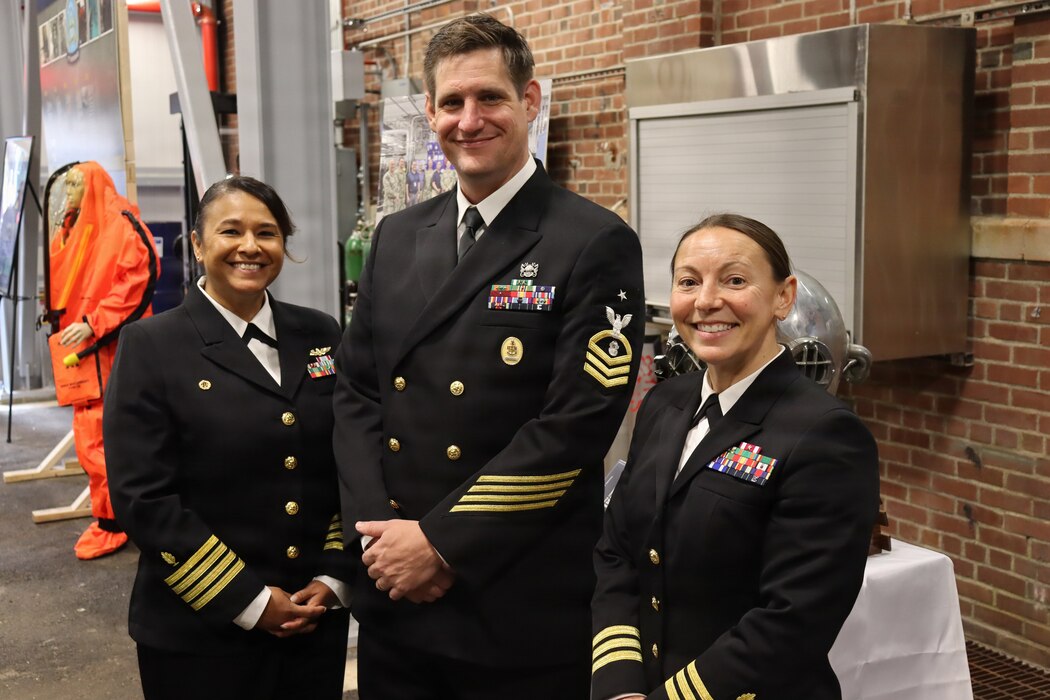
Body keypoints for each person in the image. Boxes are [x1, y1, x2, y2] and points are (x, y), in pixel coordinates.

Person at [333, 13, 644, 700]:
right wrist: (380, 542)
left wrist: (440, 544)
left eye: (490, 98)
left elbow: (575, 426)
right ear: (432, 114)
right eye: (451, 102)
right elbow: (357, 393)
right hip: (397, 598)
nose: (468, 120)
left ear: (529, 102)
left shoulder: (592, 242)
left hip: (513, 605)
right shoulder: (397, 237)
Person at [591, 213, 880, 700]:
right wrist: (619, 684)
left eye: (735, 280)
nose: (706, 301)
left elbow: (793, 619)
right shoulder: (664, 404)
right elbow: (618, 552)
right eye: (689, 282)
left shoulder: (826, 434)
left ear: (783, 297)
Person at [104, 176, 352, 699]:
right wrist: (252, 602)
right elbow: (143, 497)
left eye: (267, 233)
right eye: (230, 231)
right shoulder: (152, 344)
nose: (250, 247)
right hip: (202, 634)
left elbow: (346, 460)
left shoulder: (321, 333)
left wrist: (333, 577)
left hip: (312, 621)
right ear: (197, 243)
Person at [47, 162, 159, 560]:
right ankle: (111, 518)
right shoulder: (79, 223)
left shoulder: (121, 223)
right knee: (91, 437)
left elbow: (138, 280)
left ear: (93, 183)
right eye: (68, 185)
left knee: (104, 437)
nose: (71, 191)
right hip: (82, 349)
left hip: (106, 347)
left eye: (77, 184)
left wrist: (94, 324)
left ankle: (116, 521)